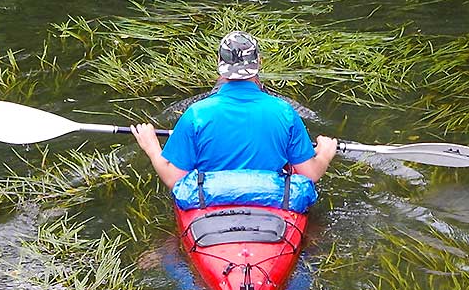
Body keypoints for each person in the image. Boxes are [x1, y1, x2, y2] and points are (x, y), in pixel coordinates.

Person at [130, 31, 338, 189]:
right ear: (259, 62)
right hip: (270, 205)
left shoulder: (196, 114)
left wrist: (152, 147)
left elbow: (173, 179)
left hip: (211, 207)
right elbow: (309, 174)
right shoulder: (284, 111)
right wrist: (324, 154)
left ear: (219, 64)